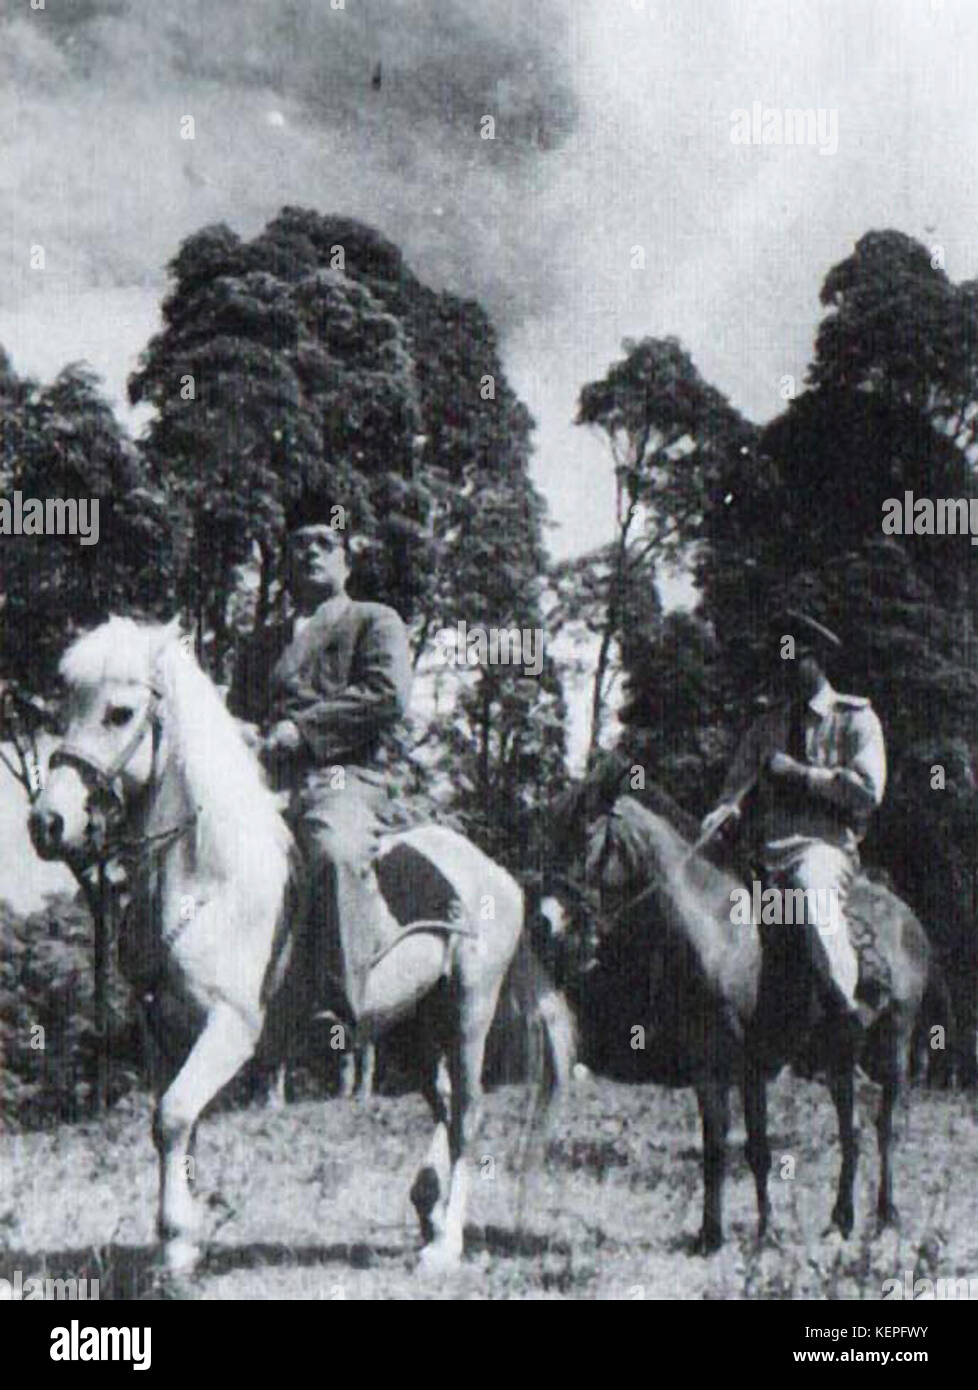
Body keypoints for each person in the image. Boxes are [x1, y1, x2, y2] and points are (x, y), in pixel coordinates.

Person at [229, 496, 413, 1018]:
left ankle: (335, 1006)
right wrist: (240, 732)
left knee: (331, 852)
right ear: (286, 561)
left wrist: (303, 731)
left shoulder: (373, 621)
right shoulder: (259, 642)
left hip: (342, 776)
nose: (311, 553)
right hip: (265, 781)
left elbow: (387, 694)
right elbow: (237, 710)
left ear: (346, 561)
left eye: (324, 543)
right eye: (299, 545)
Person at [700, 610, 886, 1028]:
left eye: (793, 660)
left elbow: (869, 792)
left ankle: (845, 1008)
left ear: (816, 659)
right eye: (780, 662)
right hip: (762, 850)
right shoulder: (766, 726)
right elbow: (733, 791)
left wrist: (802, 776)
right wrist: (720, 816)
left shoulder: (855, 719)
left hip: (824, 847)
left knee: (809, 889)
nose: (784, 671)